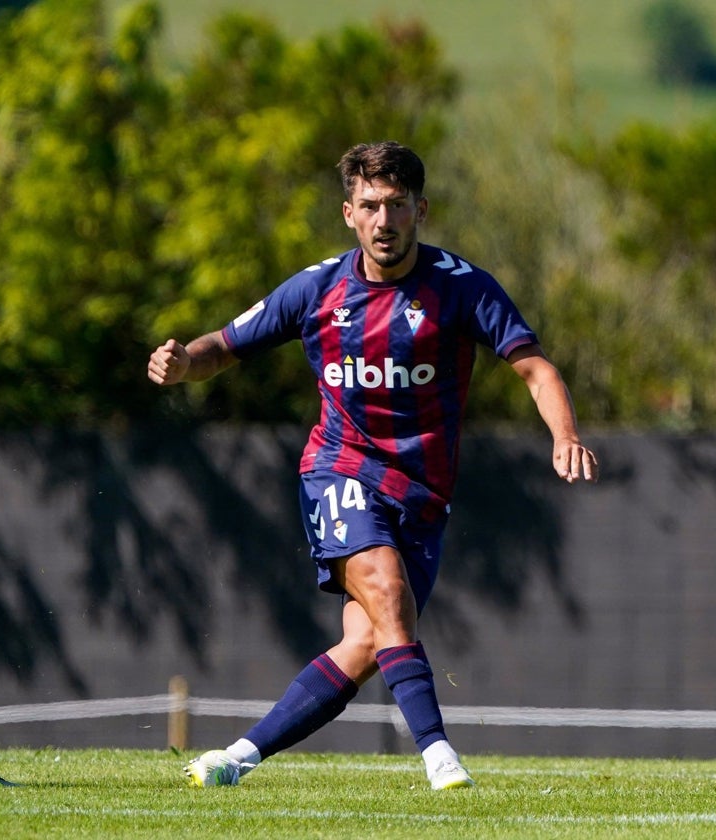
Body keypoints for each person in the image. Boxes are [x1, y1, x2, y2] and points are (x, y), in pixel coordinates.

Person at [148, 140, 598, 791]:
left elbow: (534, 366)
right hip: (340, 471)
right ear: (348, 214)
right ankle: (440, 757)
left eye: (396, 205)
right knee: (387, 593)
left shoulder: (460, 287)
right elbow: (224, 345)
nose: (383, 220)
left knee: (366, 645)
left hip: (422, 497)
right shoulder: (318, 288)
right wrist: (185, 363)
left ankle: (235, 760)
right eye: (370, 206)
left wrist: (566, 434)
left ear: (421, 209)